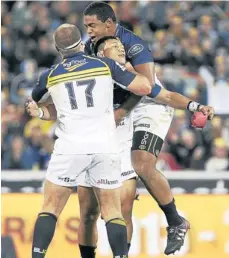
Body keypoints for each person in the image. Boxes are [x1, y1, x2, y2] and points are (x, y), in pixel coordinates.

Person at [83, 2, 215, 255]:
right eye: (86, 25)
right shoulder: (92, 50)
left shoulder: (135, 49)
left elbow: (156, 93)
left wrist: (194, 106)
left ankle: (175, 220)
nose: (88, 30)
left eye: (92, 25)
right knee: (124, 202)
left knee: (142, 163)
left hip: (147, 105)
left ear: (109, 24)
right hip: (118, 115)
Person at [26, 23, 151, 258]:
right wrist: (130, 71)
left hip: (70, 147)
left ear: (57, 48)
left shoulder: (50, 75)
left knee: (51, 207)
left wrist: (41, 111)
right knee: (112, 210)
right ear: (82, 43)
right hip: (105, 146)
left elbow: (36, 101)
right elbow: (144, 87)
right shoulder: (106, 65)